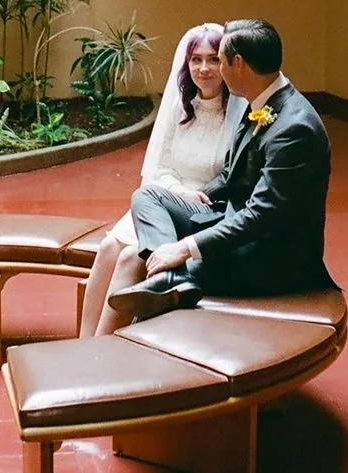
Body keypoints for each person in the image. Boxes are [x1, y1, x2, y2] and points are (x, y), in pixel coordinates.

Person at [108, 17, 332, 320]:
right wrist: (193, 197)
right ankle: (172, 280)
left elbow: (262, 215)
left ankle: (159, 300)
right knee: (149, 196)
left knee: (139, 269)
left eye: (220, 60)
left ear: (237, 63)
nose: (213, 70)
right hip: (233, 220)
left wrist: (185, 248)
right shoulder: (259, 101)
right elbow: (230, 175)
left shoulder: (294, 127)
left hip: (269, 259)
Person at [78, 23, 245, 336]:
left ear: (226, 64)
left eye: (212, 59)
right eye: (196, 59)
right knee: (107, 249)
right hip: (165, 197)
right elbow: (160, 168)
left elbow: (233, 176)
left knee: (130, 256)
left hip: (205, 209)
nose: (204, 68)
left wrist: (193, 197)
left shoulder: (238, 115)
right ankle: (83, 343)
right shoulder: (180, 109)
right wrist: (178, 191)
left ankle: (99, 349)